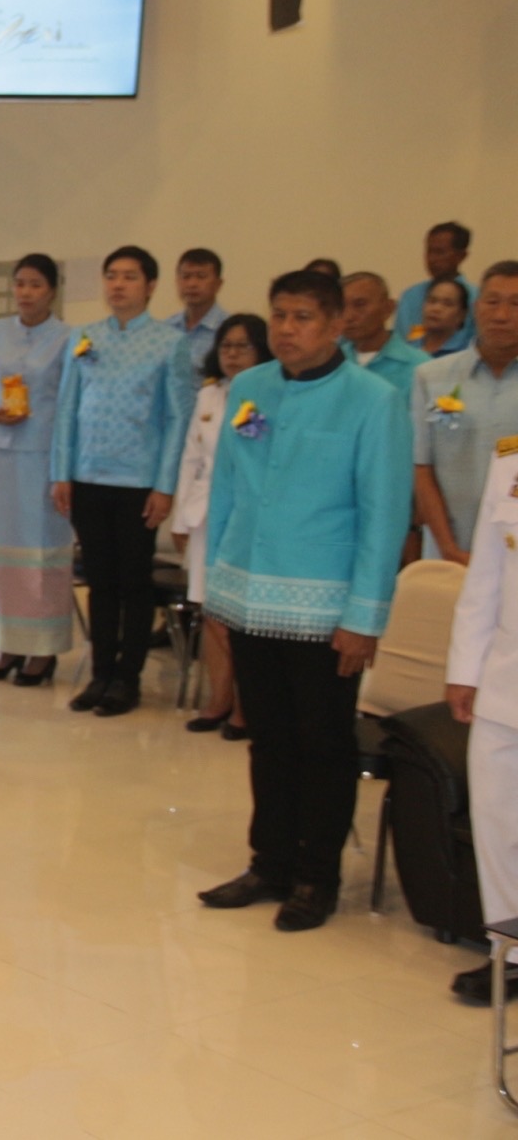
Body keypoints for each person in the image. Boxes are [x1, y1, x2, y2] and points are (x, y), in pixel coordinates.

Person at [197, 270, 411, 932]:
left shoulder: (373, 401)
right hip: (249, 594)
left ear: (337, 324)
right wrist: (216, 587)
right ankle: (270, 863)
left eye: (303, 317)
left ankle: (316, 876)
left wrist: (364, 618)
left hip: (325, 608)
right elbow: (227, 489)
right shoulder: (251, 388)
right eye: (280, 316)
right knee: (268, 739)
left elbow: (383, 516)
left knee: (322, 744)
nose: (287, 330)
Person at [51, 246, 195, 718]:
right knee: (100, 582)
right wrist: (61, 472)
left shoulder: (170, 343)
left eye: (129, 277)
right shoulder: (85, 337)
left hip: (139, 483)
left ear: (150, 286)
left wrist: (165, 485)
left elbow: (177, 418)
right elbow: (67, 409)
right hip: (88, 477)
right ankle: (100, 675)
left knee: (133, 583)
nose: (118, 284)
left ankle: (127, 679)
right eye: (111, 275)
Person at [0, 253, 73, 686]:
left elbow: (71, 402)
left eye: (35, 285)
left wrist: (66, 468)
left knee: (43, 554)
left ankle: (43, 649)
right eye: (20, 284)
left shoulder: (68, 338)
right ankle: (7, 643)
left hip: (45, 457)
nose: (25, 293)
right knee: (3, 553)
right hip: (2, 456)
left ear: (52, 291)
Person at [169, 314, 271, 739]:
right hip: (206, 515)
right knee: (211, 613)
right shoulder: (209, 395)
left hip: (250, 515)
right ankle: (218, 700)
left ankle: (246, 709)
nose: (232, 354)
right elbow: (191, 458)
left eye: (242, 346)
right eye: (226, 346)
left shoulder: (271, 393)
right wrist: (180, 517)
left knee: (241, 618)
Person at [444, 433, 518, 1004]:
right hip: (504, 678)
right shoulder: (510, 460)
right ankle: (510, 953)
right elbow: (487, 570)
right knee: (497, 821)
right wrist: (464, 668)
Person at [411, 263, 518, 565]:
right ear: (476, 307)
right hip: (450, 550)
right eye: (493, 302)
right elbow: (422, 467)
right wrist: (449, 548)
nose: (502, 315)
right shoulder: (431, 377)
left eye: (515, 304)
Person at [339, 271, 426, 396]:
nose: (348, 316)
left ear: (388, 308)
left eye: (360, 305)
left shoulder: (420, 366)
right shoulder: (331, 363)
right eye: (341, 307)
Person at [395, 220, 473, 351]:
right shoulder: (410, 296)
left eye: (440, 252)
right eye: (429, 251)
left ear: (461, 256)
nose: (432, 259)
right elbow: (401, 341)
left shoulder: (476, 298)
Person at [166, 247, 229, 372]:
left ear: (218, 284)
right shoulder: (166, 328)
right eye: (186, 277)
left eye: (201, 276)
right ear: (177, 281)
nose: (192, 284)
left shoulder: (227, 329)